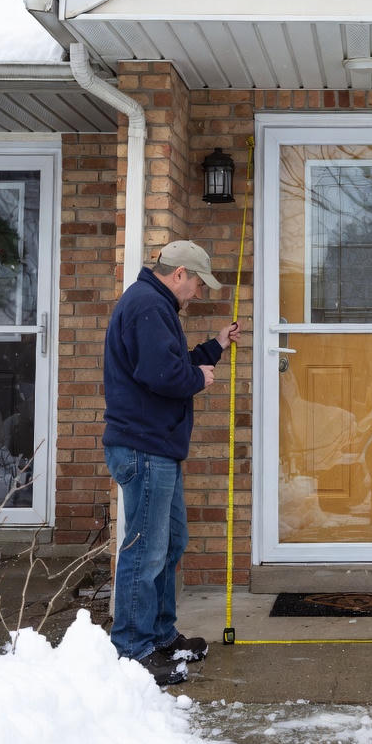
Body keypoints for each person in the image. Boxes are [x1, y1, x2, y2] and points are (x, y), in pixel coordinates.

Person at [103, 239, 240, 687]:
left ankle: (161, 636)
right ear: (178, 273)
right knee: (145, 550)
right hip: (144, 450)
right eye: (198, 283)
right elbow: (164, 376)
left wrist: (214, 347)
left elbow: (169, 363)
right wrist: (198, 377)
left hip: (157, 449)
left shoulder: (154, 306)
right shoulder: (148, 306)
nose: (198, 292)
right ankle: (132, 649)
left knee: (171, 543)